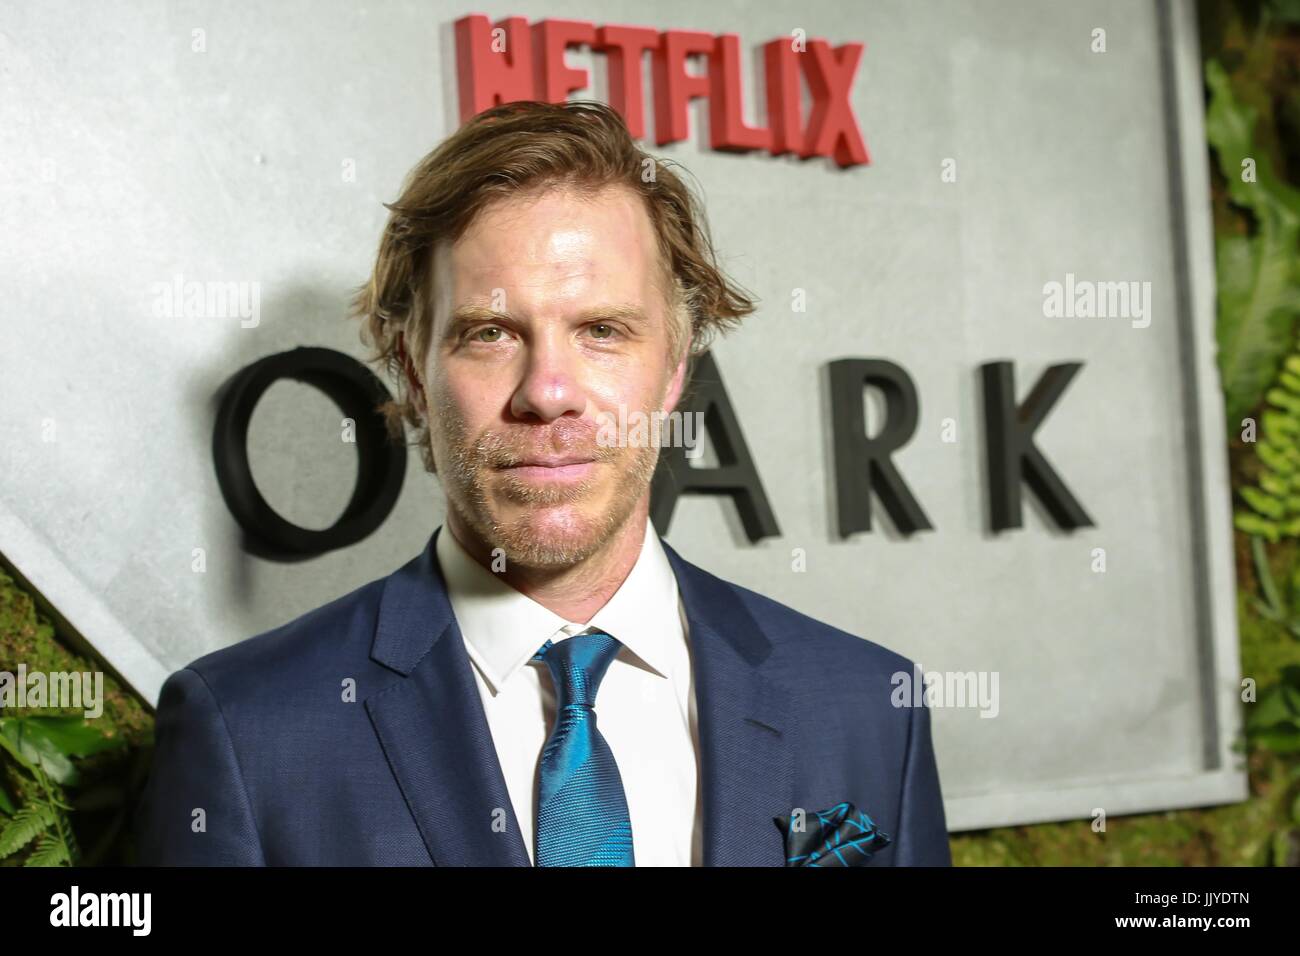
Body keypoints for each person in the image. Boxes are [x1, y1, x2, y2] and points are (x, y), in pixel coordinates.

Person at [135, 100, 951, 867]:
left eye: (601, 330)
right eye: (489, 333)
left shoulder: (867, 706)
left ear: (674, 365)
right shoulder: (248, 731)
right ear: (412, 372)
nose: (547, 391)